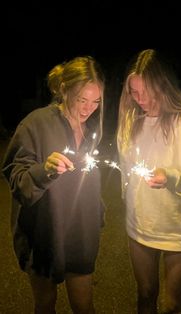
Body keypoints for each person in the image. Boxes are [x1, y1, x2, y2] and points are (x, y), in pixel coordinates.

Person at [1, 55, 105, 313]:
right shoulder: (35, 123)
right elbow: (17, 180)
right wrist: (44, 170)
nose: (88, 108)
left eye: (96, 101)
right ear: (63, 89)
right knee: (45, 304)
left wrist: (97, 211)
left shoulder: (92, 130)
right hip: (43, 234)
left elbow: (89, 180)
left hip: (80, 234)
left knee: (84, 305)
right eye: (82, 99)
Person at [117, 49, 181, 314]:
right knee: (145, 295)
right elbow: (126, 171)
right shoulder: (130, 122)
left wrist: (171, 177)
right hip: (139, 228)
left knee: (174, 305)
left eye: (147, 91)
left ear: (164, 84)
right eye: (134, 93)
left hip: (179, 231)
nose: (141, 100)